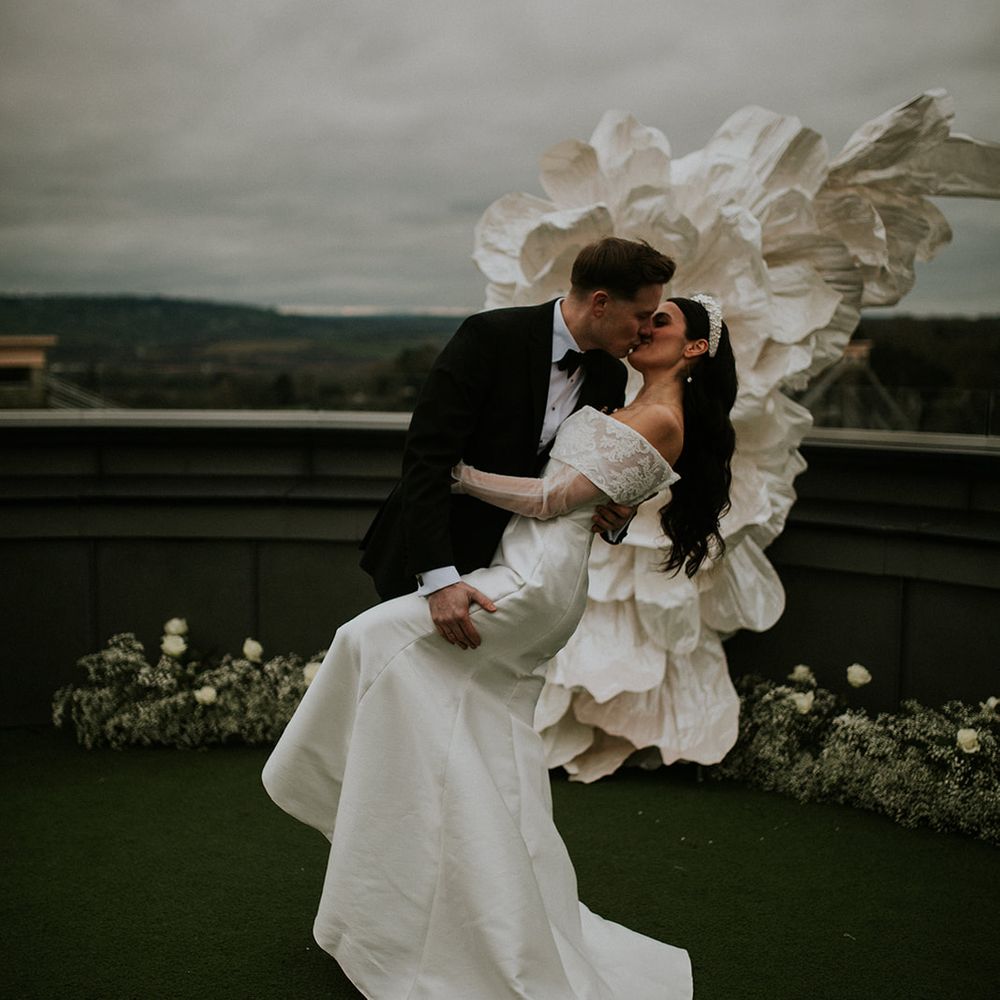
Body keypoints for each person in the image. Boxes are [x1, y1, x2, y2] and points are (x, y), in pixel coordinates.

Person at [263, 294, 737, 999]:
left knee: (366, 639)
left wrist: (456, 474)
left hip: (533, 580)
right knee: (464, 739)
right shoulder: (619, 392)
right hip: (520, 564)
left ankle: (324, 786)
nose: (643, 328)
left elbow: (552, 501)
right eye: (643, 316)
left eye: (660, 322)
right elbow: (592, 498)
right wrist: (606, 509)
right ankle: (442, 899)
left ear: (695, 348)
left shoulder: (663, 416)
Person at [359, 237, 676, 651]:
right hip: (430, 560)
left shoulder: (609, 376)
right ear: (600, 303)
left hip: (510, 577)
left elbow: (579, 475)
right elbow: (426, 460)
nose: (646, 330)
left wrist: (616, 519)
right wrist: (439, 581)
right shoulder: (489, 337)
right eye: (642, 315)